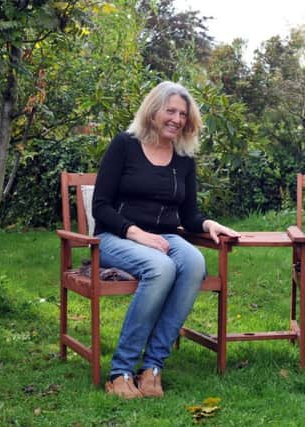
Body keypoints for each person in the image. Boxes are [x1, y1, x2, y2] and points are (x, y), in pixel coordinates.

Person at [92, 81, 239, 399]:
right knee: (161, 267)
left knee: (194, 262)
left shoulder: (184, 158)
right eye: (170, 110)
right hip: (115, 236)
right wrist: (137, 233)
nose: (176, 118)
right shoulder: (124, 145)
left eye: (182, 114)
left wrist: (208, 222)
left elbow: (188, 216)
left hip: (163, 237)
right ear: (153, 111)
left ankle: (152, 367)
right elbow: (100, 206)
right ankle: (121, 371)